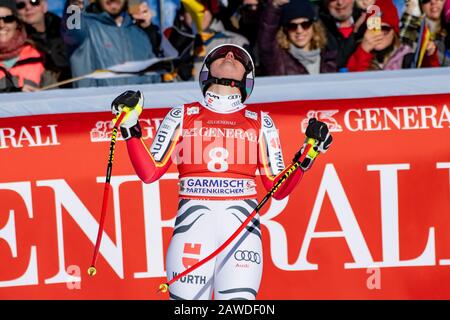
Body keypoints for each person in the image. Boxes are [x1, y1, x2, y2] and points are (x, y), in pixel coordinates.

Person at [110, 44, 333, 300]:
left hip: (241, 234)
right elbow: (150, 173)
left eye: (238, 57)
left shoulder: (261, 121)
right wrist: (129, 127)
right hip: (192, 231)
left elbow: (279, 188)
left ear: (247, 78)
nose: (230, 56)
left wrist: (308, 154)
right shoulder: (181, 115)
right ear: (207, 70)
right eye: (222, 54)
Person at [61, 0, 160, 87]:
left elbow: (154, 81)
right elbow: (72, 31)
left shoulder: (140, 34)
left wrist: (149, 29)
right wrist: (73, 5)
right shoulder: (84, 29)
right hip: (99, 107)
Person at [347, 0, 440, 71]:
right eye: (374, 28)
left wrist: (430, 56)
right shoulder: (356, 51)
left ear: (394, 32)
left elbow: (431, 79)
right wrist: (364, 50)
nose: (378, 33)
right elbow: (351, 83)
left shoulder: (407, 56)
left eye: (385, 29)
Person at [258, 0, 337, 75]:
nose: (299, 31)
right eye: (292, 26)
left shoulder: (328, 57)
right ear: (286, 30)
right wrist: (274, 6)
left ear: (314, 26)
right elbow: (266, 38)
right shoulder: (277, 59)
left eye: (305, 24)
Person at [16, 0, 72, 87]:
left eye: (34, 2)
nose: (28, 7)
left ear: (44, 6)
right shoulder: (14, 41)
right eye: (21, 5)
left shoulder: (67, 31)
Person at [0, 0, 44, 92]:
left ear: (17, 23)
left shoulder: (40, 55)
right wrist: (13, 91)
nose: (1, 25)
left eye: (8, 19)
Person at [318, 0, 366, 70]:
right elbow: (338, 64)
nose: (340, 2)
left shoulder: (367, 21)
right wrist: (354, 33)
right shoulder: (317, 25)